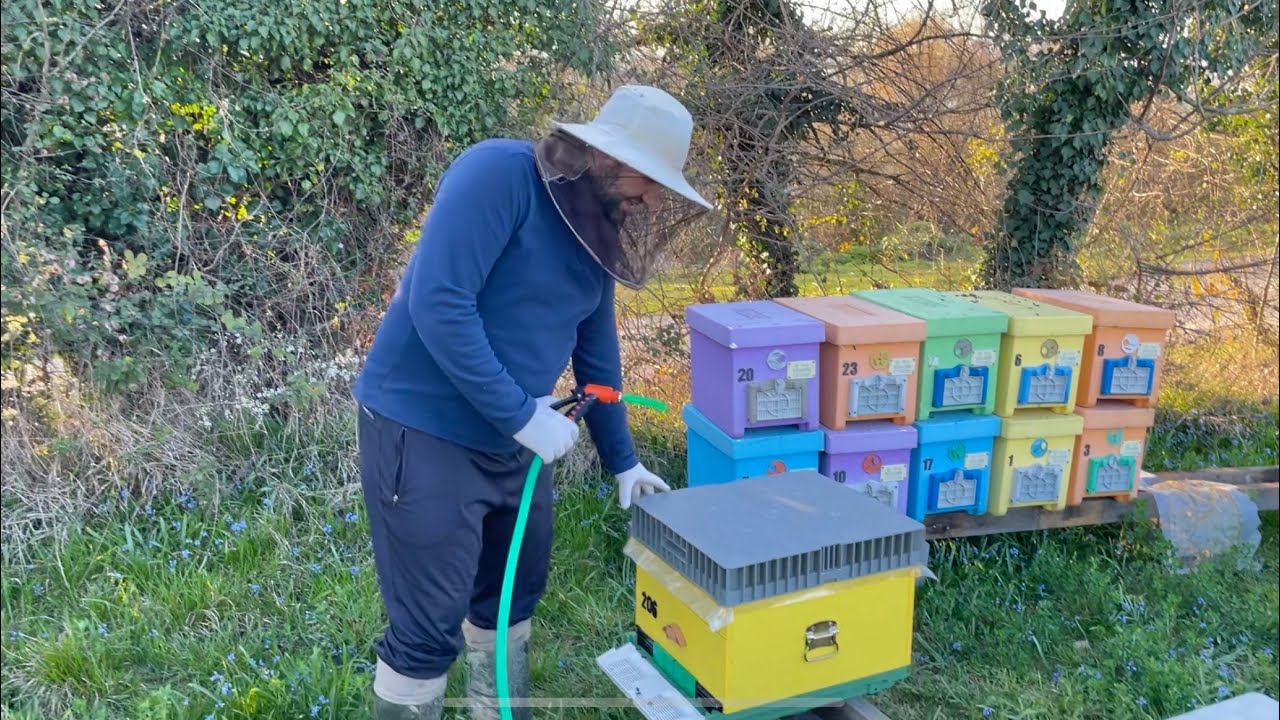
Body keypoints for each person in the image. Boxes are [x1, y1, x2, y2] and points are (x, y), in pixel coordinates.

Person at [351, 85, 713, 719]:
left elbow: (597, 350)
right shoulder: (498, 175)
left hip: (518, 438)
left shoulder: (599, 221)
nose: (653, 197)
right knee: (428, 628)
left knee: (511, 599)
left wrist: (622, 460)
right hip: (424, 430)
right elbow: (440, 302)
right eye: (649, 178)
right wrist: (521, 416)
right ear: (606, 153)